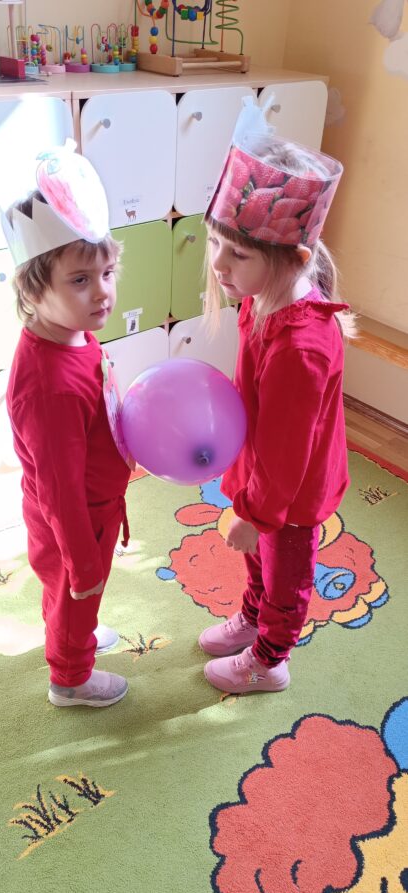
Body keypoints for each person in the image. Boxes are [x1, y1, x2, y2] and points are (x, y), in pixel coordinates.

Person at [198, 95, 353, 695]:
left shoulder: (301, 346)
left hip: (291, 492)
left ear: (295, 259)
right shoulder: (263, 297)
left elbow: (289, 455)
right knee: (257, 557)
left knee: (285, 571)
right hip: (260, 467)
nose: (219, 265)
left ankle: (270, 659)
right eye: (216, 244)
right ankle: (251, 617)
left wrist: (257, 514)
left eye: (237, 253)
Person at [3, 141, 132, 708]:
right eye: (80, 280)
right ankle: (70, 678)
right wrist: (81, 562)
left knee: (73, 600)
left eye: (106, 272)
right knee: (75, 594)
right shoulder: (48, 386)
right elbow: (58, 489)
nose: (102, 291)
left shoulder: (73, 335)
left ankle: (75, 632)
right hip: (75, 520)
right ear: (33, 290)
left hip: (95, 507)